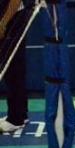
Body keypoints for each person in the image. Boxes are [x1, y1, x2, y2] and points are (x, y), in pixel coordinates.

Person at [0, 0, 29, 133]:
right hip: (8, 18)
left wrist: (3, 23)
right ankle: (21, 114)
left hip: (12, 20)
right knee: (11, 69)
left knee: (13, 68)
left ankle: (16, 120)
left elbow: (15, 1)